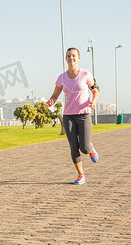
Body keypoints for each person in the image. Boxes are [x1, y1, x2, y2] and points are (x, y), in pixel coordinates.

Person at [46, 47, 100, 184]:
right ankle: (80, 175)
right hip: (68, 116)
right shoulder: (61, 78)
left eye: (74, 56)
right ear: (66, 59)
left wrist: (93, 101)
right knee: (73, 146)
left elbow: (95, 90)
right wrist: (51, 101)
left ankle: (90, 148)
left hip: (84, 115)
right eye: (69, 56)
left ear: (79, 58)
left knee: (84, 148)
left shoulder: (86, 74)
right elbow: (55, 95)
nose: (71, 58)